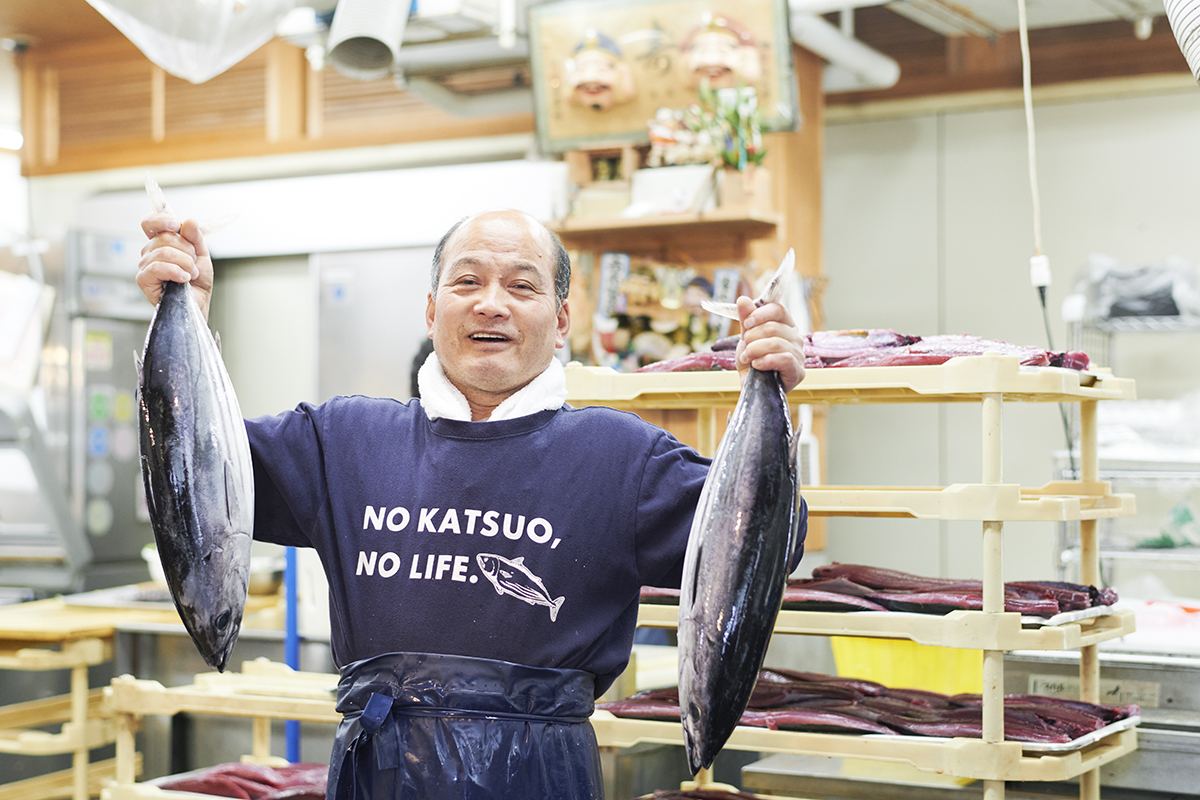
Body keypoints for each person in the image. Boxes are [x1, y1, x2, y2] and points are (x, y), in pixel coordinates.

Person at [137, 207, 808, 800]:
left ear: (562, 317)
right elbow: (193, 473)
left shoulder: (624, 459)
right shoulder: (340, 440)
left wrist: (774, 389)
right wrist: (184, 314)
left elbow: (769, 543)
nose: (493, 303)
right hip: (379, 773)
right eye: (468, 282)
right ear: (432, 310)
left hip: (543, 778)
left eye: (522, 285)